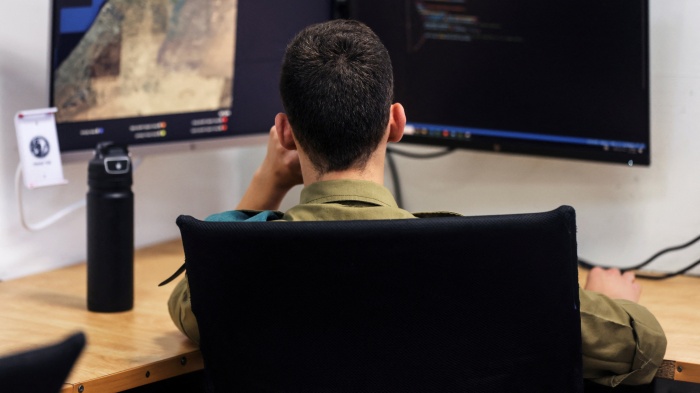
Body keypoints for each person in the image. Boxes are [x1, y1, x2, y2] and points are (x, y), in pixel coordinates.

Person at [167, 19, 666, 387]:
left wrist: (266, 185)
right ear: (396, 123)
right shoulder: (484, 264)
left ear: (285, 134)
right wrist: (614, 300)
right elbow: (644, 346)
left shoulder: (238, 274)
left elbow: (190, 294)